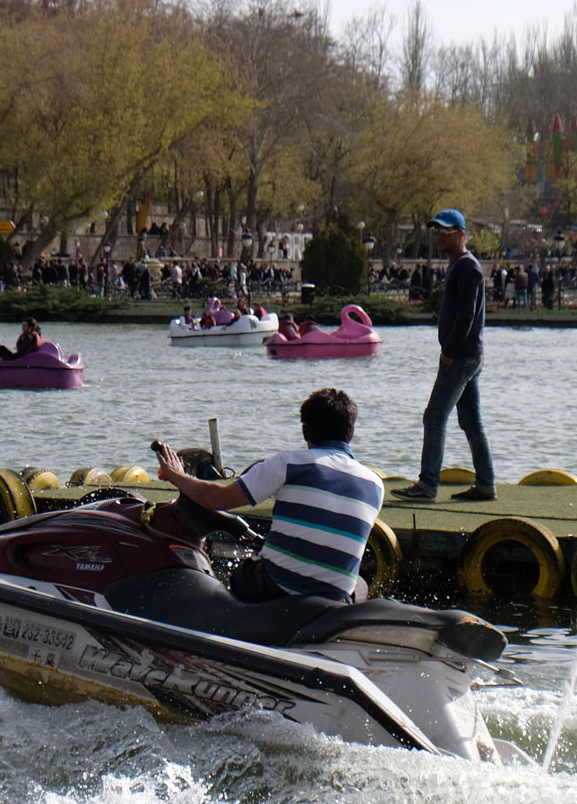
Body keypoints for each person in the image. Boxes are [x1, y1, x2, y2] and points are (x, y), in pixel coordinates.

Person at [154, 387, 384, 603]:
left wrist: (176, 475)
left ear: (305, 430)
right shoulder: (375, 484)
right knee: (360, 585)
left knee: (238, 573)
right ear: (351, 432)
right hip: (335, 599)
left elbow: (216, 498)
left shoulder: (289, 463)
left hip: (277, 587)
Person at [393, 209, 495, 502]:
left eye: (446, 231)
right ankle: (486, 484)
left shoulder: (467, 268)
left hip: (461, 356)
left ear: (461, 233)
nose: (439, 236)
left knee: (434, 417)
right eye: (436, 231)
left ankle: (427, 485)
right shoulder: (460, 266)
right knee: (471, 422)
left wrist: (448, 352)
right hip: (468, 355)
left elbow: (467, 315)